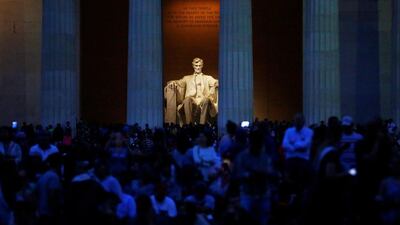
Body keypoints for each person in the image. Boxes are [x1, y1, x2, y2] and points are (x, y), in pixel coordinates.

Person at [234, 129, 275, 225]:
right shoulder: (242, 156)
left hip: (263, 193)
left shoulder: (265, 157)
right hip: (248, 193)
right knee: (245, 218)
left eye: (258, 142)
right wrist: (248, 175)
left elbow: (271, 172)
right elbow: (237, 174)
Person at [166, 58, 218, 124]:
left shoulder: (208, 78)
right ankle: (189, 124)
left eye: (199, 65)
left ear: (202, 66)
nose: (198, 67)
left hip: (203, 100)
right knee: (187, 100)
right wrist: (173, 82)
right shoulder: (187, 78)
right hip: (192, 101)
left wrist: (216, 84)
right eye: (196, 66)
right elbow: (179, 82)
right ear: (193, 66)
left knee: (207, 100)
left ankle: (202, 125)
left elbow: (216, 81)